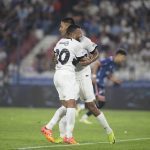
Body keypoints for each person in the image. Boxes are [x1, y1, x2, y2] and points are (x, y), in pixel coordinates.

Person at [54, 18, 115, 144]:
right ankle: (63, 135)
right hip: (70, 76)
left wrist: (88, 61)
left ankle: (109, 131)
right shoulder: (62, 42)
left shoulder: (84, 40)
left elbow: (96, 53)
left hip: (83, 76)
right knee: (67, 106)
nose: (60, 29)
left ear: (70, 28)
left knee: (91, 106)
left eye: (62, 26)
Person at [41, 24, 89, 144]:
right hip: (67, 75)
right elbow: (84, 62)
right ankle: (68, 136)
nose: (81, 35)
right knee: (72, 105)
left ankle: (48, 128)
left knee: (66, 107)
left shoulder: (60, 42)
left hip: (58, 75)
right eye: (79, 33)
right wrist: (93, 58)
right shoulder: (77, 45)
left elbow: (54, 58)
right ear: (73, 33)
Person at [80, 48, 127, 124]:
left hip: (101, 83)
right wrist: (94, 76)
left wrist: (116, 81)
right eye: (123, 57)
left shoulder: (113, 64)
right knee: (99, 100)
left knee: (100, 102)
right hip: (97, 81)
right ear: (119, 55)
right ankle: (81, 107)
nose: (123, 60)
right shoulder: (110, 59)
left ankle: (83, 113)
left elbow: (108, 75)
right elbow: (97, 63)